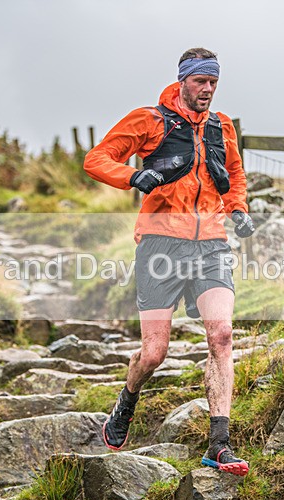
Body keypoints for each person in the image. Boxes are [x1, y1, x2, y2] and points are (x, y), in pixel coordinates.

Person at [83, 47, 255, 476]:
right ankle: (127, 400)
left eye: (214, 82)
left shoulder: (222, 126)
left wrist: (238, 208)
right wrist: (132, 176)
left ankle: (219, 444)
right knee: (154, 353)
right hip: (160, 245)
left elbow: (234, 174)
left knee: (222, 335)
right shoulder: (150, 120)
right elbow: (96, 159)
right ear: (183, 81)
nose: (208, 89)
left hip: (211, 244)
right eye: (201, 81)